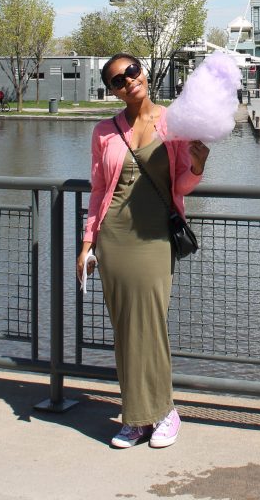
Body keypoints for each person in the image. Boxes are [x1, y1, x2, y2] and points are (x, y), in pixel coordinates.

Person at [76, 53, 210, 450]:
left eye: (132, 71)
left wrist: (199, 166)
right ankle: (135, 417)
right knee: (124, 329)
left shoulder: (175, 123)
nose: (129, 81)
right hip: (114, 236)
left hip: (154, 236)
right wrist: (87, 245)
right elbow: (100, 190)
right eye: (118, 80)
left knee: (150, 323)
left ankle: (165, 411)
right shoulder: (104, 131)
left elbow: (181, 186)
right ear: (112, 90)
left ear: (144, 72)